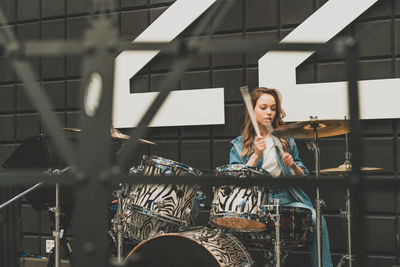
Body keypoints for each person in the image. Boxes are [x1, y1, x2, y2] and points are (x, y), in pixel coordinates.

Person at [229, 87, 333, 267]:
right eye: (263, 107)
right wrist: (255, 155)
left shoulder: (285, 139)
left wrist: (292, 164)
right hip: (255, 202)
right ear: (252, 110)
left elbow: (301, 174)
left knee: (316, 218)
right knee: (232, 223)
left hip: (287, 197)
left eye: (273, 108)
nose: (269, 112)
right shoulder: (239, 145)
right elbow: (235, 181)